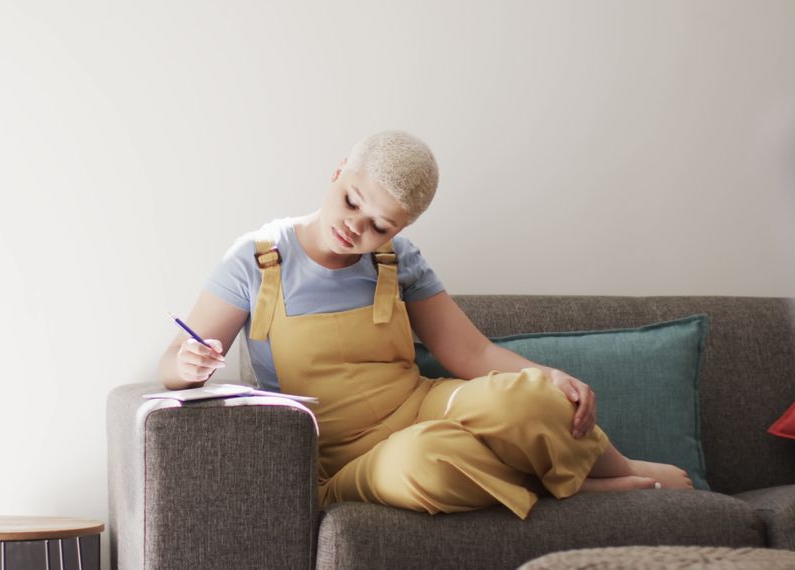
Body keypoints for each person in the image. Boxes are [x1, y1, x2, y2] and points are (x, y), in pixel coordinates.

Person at [157, 130, 693, 519]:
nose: (355, 228)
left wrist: (547, 378)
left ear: (404, 226)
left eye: (380, 226)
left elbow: (472, 355)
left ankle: (620, 467)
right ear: (339, 169)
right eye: (352, 201)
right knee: (426, 462)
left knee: (527, 395)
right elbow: (174, 364)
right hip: (343, 455)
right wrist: (188, 364)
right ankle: (564, 488)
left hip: (419, 406)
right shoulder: (258, 258)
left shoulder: (397, 258)